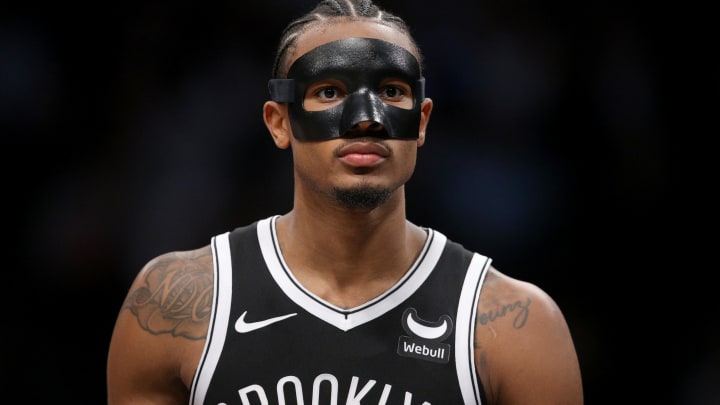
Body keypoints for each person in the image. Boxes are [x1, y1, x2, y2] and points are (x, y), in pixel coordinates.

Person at [106, 0, 584, 404]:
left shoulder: (516, 325)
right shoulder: (174, 305)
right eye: (329, 91)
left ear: (421, 122)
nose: (365, 120)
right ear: (278, 122)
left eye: (392, 91)